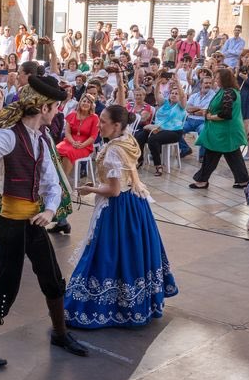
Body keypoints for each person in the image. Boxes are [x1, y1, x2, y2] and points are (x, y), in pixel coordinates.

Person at [0, 74, 86, 368]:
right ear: (43, 108)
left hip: (35, 222)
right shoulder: (8, 135)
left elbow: (52, 185)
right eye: (54, 107)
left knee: (53, 280)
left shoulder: (42, 138)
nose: (57, 112)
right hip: (11, 227)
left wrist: (51, 211)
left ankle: (60, 333)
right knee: (5, 292)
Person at [64, 103, 177, 328]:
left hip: (119, 209)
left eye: (104, 122)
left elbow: (114, 191)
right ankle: (133, 302)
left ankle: (105, 306)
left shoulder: (114, 149)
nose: (99, 124)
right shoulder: (128, 138)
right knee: (130, 255)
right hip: (135, 203)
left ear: (117, 126)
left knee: (106, 254)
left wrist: (90, 189)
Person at [190, 67, 249, 189]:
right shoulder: (227, 90)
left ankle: (202, 180)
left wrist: (210, 116)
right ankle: (243, 180)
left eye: (217, 78)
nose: (215, 80)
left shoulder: (228, 92)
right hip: (225, 131)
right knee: (232, 156)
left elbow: (226, 114)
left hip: (224, 132)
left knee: (213, 156)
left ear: (224, 79)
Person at [134, 80, 186, 176]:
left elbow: (183, 96)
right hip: (158, 128)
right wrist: (157, 83)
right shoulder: (164, 103)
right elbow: (157, 94)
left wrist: (177, 82)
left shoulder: (180, 106)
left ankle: (158, 166)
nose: (174, 95)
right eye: (172, 93)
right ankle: (140, 160)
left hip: (174, 131)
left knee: (152, 140)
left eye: (176, 94)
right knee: (140, 136)